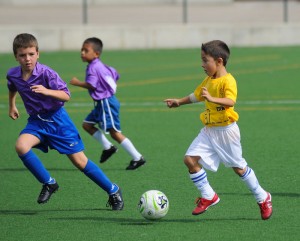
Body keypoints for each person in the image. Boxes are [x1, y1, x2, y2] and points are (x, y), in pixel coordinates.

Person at [7, 33, 124, 210]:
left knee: (80, 162)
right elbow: (12, 86)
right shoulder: (13, 74)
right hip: (37, 122)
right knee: (21, 146)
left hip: (58, 122)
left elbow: (66, 95)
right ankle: (49, 183)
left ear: (38, 53)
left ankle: (113, 190)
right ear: (16, 56)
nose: (27, 59)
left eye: (31, 54)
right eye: (22, 55)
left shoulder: (47, 74)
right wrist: (12, 105)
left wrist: (47, 91)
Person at [164, 40, 272, 220]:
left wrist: (212, 98)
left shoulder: (228, 81)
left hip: (226, 131)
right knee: (190, 160)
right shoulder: (209, 80)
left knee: (239, 168)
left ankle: (263, 197)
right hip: (209, 131)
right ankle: (209, 195)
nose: (202, 64)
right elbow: (197, 95)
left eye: (205, 60)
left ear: (219, 61)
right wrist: (179, 102)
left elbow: (231, 101)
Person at [70, 37, 146, 170]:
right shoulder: (100, 65)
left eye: (86, 50)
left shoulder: (93, 68)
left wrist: (77, 83)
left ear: (96, 54)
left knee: (114, 133)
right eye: (82, 50)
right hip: (102, 103)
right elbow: (115, 74)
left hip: (106, 103)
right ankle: (108, 147)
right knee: (87, 125)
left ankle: (137, 157)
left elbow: (92, 85)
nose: (82, 52)